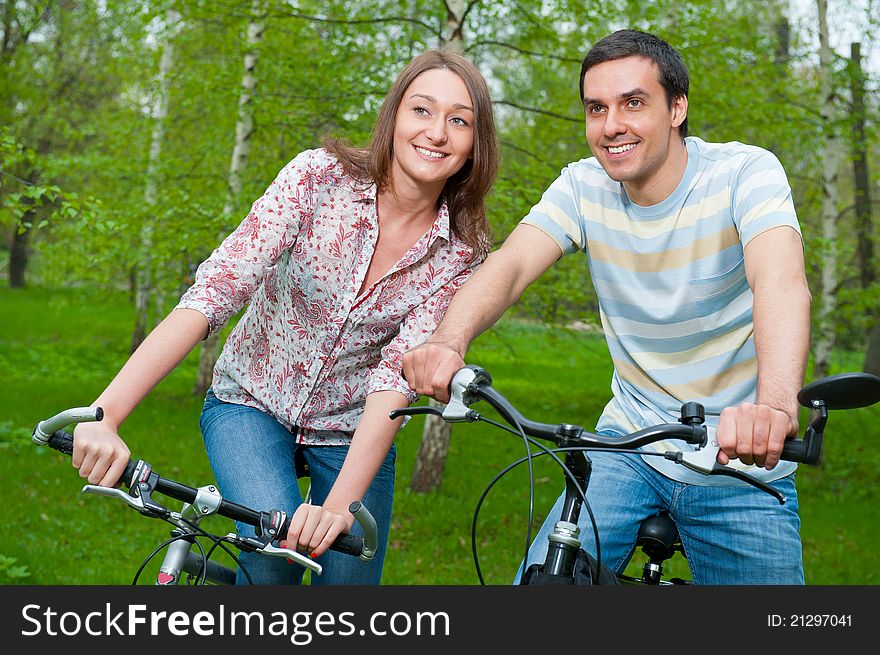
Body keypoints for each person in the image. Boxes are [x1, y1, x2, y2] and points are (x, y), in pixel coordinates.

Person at [71, 49, 500, 585]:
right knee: (271, 554)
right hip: (250, 401)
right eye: (422, 110)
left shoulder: (462, 250)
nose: (436, 132)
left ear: (474, 145)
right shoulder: (317, 178)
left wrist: (340, 507)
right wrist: (104, 415)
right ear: (394, 116)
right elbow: (217, 291)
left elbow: (398, 374)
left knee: (347, 581)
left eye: (459, 120)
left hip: (351, 428)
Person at [403, 29, 812, 585]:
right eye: (597, 109)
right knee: (540, 590)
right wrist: (448, 342)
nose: (612, 125)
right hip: (629, 446)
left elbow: (781, 283)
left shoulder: (744, 174)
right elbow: (512, 265)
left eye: (633, 103)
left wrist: (775, 408)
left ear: (677, 108)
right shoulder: (583, 185)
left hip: (740, 461)